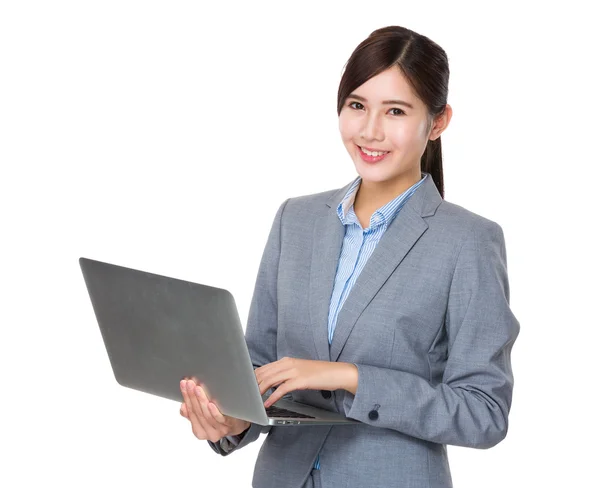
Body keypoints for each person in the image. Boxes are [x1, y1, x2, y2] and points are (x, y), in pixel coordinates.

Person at [179, 25, 520, 488]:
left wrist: (352, 377)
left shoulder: (468, 241)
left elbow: (485, 411)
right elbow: (259, 373)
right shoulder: (294, 220)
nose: (370, 130)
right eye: (357, 105)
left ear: (437, 122)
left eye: (396, 110)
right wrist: (231, 422)